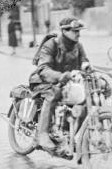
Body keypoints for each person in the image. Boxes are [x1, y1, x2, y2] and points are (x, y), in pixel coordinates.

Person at [29, 17, 89, 150]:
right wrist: (60, 76)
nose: (78, 34)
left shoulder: (78, 46)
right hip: (43, 81)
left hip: (66, 83)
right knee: (54, 93)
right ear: (65, 31)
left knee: (84, 100)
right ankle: (42, 134)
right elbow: (43, 69)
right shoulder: (52, 44)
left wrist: (90, 72)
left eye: (79, 31)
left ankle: (68, 134)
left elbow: (85, 64)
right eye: (75, 31)